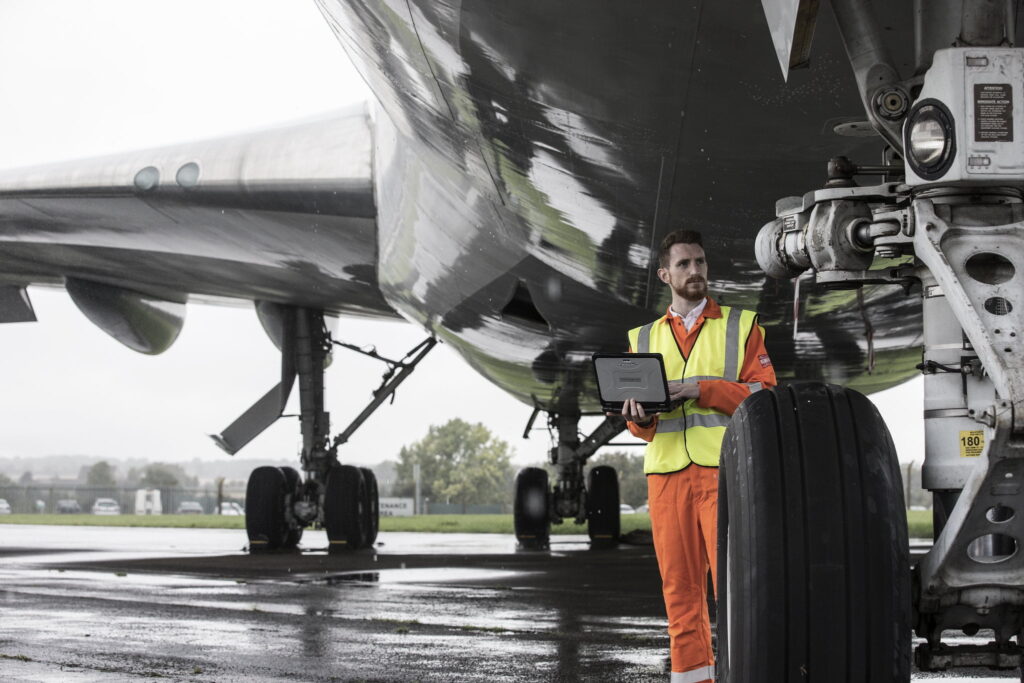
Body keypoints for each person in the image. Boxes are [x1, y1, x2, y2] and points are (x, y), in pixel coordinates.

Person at [621, 229, 776, 683]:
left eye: (701, 263)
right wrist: (639, 416)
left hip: (723, 474)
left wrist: (700, 389)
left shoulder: (741, 325)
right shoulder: (643, 337)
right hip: (667, 478)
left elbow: (764, 394)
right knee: (680, 593)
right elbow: (640, 428)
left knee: (735, 590)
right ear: (665, 274)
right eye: (685, 264)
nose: (695, 271)